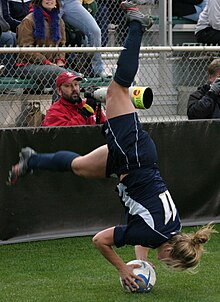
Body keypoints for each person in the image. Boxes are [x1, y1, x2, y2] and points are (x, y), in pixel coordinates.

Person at [7, 1, 215, 291]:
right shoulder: (155, 233)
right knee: (120, 87)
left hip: (133, 162)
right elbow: (100, 240)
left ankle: (33, 159)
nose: (164, 262)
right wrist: (124, 269)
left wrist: (141, 261)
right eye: (167, 262)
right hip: (132, 157)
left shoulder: (172, 230)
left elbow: (143, 234)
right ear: (169, 251)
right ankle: (135, 26)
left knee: (80, 167)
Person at [15, 0, 80, 102]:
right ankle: (58, 114)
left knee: (77, 77)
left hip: (52, 66)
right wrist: (46, 62)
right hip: (27, 65)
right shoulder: (28, 20)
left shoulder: (59, 21)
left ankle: (70, 112)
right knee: (61, 75)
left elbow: (62, 45)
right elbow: (26, 49)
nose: (49, 0)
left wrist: (60, 60)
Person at [61, 0, 110, 78]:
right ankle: (49, 68)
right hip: (51, 2)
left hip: (70, 2)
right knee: (48, 29)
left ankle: (98, 69)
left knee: (95, 31)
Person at [42, 71, 106, 126]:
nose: (74, 89)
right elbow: (64, 135)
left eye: (76, 84)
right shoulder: (54, 112)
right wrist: (84, 114)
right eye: (68, 86)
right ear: (59, 91)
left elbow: (106, 127)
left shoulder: (89, 105)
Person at [0, 1, 16, 76]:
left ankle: (17, 71)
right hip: (3, 32)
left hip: (3, 29)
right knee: (7, 38)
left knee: (16, 37)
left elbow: (3, 21)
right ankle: (8, 75)